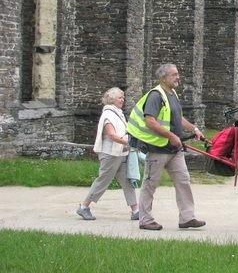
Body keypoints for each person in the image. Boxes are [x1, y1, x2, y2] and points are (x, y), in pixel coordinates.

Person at [127, 63, 206, 231]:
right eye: (174, 75)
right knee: (150, 184)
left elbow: (179, 119)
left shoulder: (172, 94)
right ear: (164, 78)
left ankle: (187, 217)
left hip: (174, 150)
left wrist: (194, 129)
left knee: (183, 181)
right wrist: (171, 136)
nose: (178, 77)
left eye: (177, 74)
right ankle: (145, 220)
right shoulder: (156, 96)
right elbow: (150, 121)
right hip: (158, 149)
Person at [76, 87, 139, 221]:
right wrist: (129, 143)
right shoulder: (108, 114)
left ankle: (136, 210)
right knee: (103, 180)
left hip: (121, 153)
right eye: (120, 97)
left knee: (127, 181)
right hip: (110, 154)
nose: (123, 99)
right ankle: (84, 207)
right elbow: (112, 134)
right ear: (112, 99)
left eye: (123, 97)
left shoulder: (118, 113)